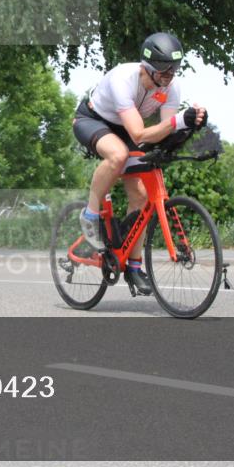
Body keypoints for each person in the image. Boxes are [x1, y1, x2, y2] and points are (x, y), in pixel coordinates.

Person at [72, 32, 207, 296]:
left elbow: (165, 131)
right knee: (118, 155)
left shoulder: (171, 88)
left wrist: (191, 123)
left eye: (175, 69)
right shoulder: (123, 79)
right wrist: (178, 121)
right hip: (92, 120)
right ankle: (90, 214)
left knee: (142, 196)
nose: (170, 76)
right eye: (165, 70)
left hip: (124, 128)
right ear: (148, 67)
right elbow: (139, 134)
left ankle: (133, 266)